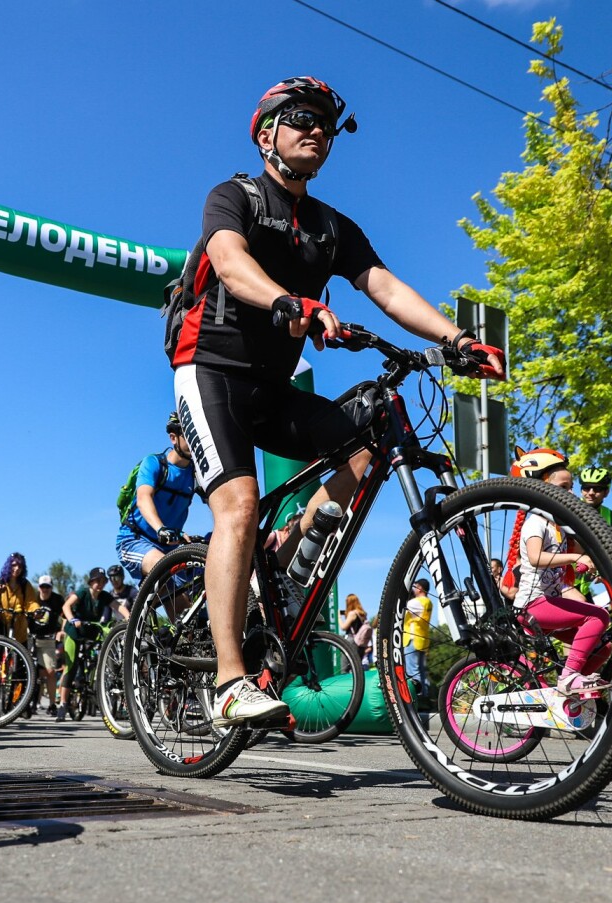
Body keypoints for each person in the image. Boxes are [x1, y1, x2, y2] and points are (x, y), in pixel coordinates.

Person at [170, 76, 502, 727]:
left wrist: (457, 338)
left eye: (327, 124)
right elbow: (231, 261)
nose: (317, 131)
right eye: (302, 119)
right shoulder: (233, 196)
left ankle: (292, 544)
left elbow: (384, 286)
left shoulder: (330, 227)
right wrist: (290, 300)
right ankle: (232, 680)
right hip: (207, 371)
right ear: (267, 132)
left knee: (371, 435)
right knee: (236, 507)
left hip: (271, 388)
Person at [508, 448, 612, 697]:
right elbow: (534, 557)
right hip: (532, 606)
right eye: (564, 487)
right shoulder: (536, 521)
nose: (572, 493)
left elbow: (582, 556)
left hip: (550, 603)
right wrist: (575, 557)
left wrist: (596, 568)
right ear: (544, 489)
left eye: (571, 486)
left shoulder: (561, 528)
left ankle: (564, 695)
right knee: (598, 616)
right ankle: (569, 678)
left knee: (602, 647)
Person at [116, 411, 195, 585]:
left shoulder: (195, 474)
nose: (194, 440)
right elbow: (144, 498)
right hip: (135, 541)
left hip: (170, 547)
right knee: (166, 571)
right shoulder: (154, 463)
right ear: (174, 438)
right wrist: (161, 529)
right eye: (189, 434)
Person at [55, 566, 115, 721]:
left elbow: (119, 608)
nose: (100, 584)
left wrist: (130, 619)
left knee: (97, 659)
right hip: (74, 632)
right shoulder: (82, 592)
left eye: (103, 581)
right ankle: (63, 704)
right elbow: (66, 606)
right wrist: (72, 619)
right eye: (97, 580)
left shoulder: (105, 596)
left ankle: (93, 683)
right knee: (72, 665)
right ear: (91, 581)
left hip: (91, 633)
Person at [31, 575, 64, 714]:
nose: (45, 589)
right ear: (39, 587)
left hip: (48, 639)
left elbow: (65, 616)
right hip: (31, 638)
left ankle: (52, 704)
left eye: (48, 587)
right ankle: (30, 703)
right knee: (32, 672)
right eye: (43, 587)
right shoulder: (33, 598)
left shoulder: (57, 600)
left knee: (50, 672)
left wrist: (61, 631)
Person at [0, 552, 39, 646]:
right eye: (14, 565)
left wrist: (36, 611)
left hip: (19, 630)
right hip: (0, 627)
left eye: (20, 566)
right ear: (8, 566)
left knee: (21, 658)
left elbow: (31, 602)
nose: (17, 569)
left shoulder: (25, 585)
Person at [401, 580, 433, 707]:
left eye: (415, 587)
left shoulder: (416, 602)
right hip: (422, 640)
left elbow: (402, 607)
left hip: (411, 639)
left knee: (412, 671)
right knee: (421, 670)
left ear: (420, 588)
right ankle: (425, 697)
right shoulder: (428, 602)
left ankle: (417, 699)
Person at [340, 592, 371, 666]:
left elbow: (343, 627)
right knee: (357, 666)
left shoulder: (352, 614)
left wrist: (339, 617)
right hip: (361, 642)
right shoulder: (363, 614)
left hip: (351, 640)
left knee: (344, 667)